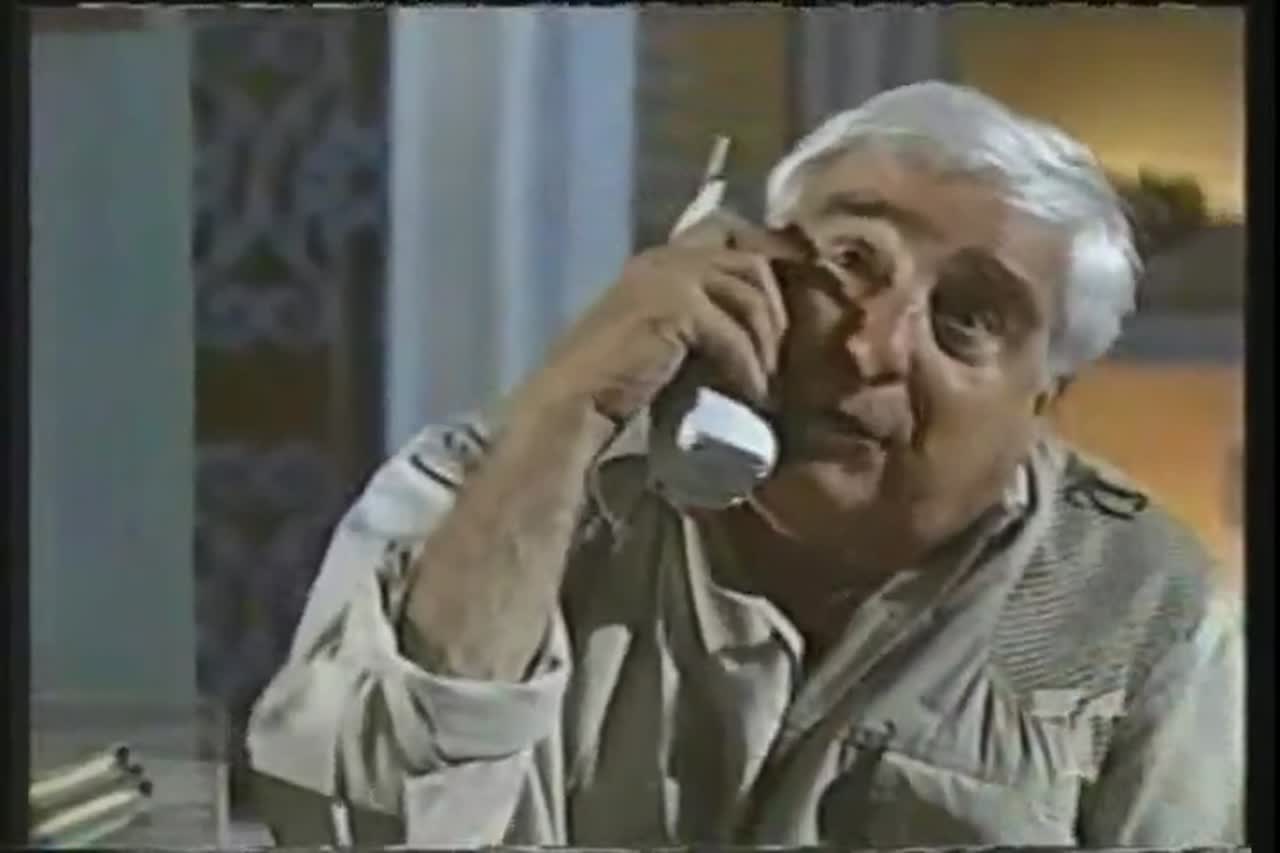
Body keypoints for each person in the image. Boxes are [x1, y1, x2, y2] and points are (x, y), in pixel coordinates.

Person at [244, 81, 1243, 848]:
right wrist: (567, 409)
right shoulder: (481, 482)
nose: (871, 346)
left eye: (969, 316)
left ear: (1043, 399)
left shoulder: (1144, 611)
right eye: (849, 261)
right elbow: (341, 823)